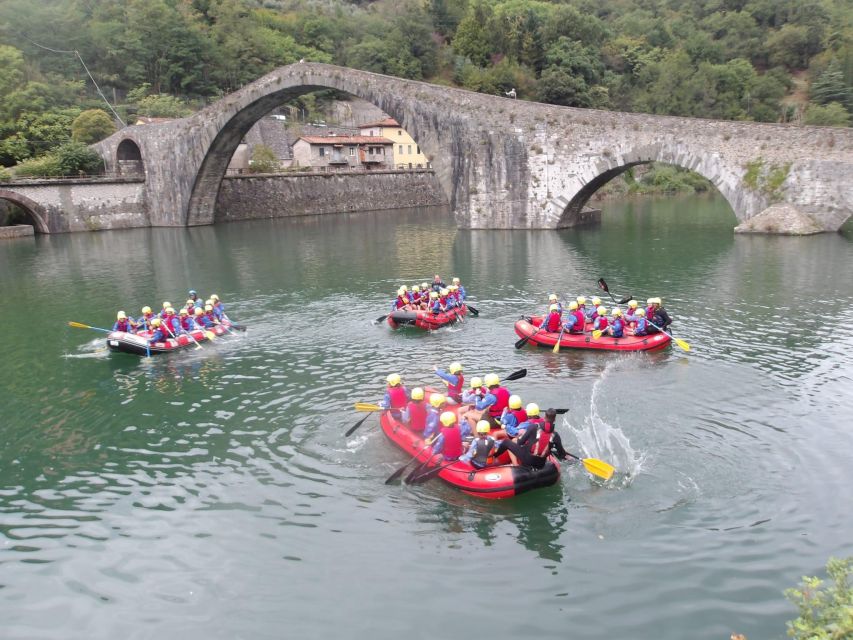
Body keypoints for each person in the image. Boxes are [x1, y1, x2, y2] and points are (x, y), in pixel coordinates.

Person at [495, 408, 570, 469]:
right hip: (540, 464)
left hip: (527, 460)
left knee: (506, 442)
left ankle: (494, 457)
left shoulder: (533, 427)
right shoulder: (555, 435)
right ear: (554, 420)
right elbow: (561, 454)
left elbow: (520, 442)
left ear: (544, 417)